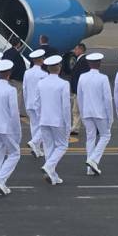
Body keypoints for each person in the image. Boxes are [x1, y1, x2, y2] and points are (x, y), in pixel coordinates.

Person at [34, 55, 71, 185]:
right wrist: (68, 123)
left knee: (48, 147)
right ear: (59, 68)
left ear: (48, 68)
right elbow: (66, 106)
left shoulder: (41, 82)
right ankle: (49, 167)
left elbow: (36, 104)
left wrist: (40, 117)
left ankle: (53, 175)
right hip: (58, 120)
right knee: (62, 145)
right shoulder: (64, 84)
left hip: (44, 119)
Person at [0, 60, 22, 196]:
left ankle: (0, 186)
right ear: (9, 73)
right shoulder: (11, 90)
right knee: (15, 154)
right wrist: (17, 131)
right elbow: (14, 113)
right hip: (7, 127)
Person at [77, 53, 113, 176]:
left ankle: (89, 168)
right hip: (100, 113)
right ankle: (93, 160)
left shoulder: (82, 77)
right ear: (99, 63)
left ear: (89, 64)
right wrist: (110, 117)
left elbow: (79, 98)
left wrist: (82, 113)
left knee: (90, 138)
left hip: (86, 112)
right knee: (105, 136)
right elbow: (108, 100)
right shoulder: (103, 78)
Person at [23, 49, 48, 158]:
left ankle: (36, 149)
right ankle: (35, 143)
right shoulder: (44, 74)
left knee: (34, 126)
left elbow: (24, 89)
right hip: (40, 103)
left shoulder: (27, 72)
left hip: (29, 102)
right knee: (44, 126)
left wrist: (26, 101)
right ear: (41, 60)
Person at [70, 43, 89, 135]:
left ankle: (75, 128)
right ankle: (75, 127)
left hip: (79, 90)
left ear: (81, 50)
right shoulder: (81, 60)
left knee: (76, 110)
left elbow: (81, 77)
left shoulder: (83, 61)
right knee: (76, 109)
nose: (74, 51)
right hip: (77, 90)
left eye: (76, 49)